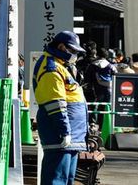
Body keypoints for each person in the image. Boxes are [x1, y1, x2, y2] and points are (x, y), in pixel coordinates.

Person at [33, 31, 88, 185]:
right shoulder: (51, 68)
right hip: (62, 134)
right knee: (57, 179)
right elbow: (55, 103)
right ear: (62, 47)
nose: (75, 54)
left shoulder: (60, 66)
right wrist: (64, 131)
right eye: (73, 51)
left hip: (71, 135)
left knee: (65, 179)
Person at [85, 48, 117, 128]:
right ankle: (107, 124)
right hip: (109, 89)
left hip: (96, 90)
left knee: (95, 107)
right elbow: (116, 76)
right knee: (108, 107)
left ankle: (95, 125)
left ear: (97, 55)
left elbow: (87, 79)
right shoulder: (111, 66)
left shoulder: (92, 65)